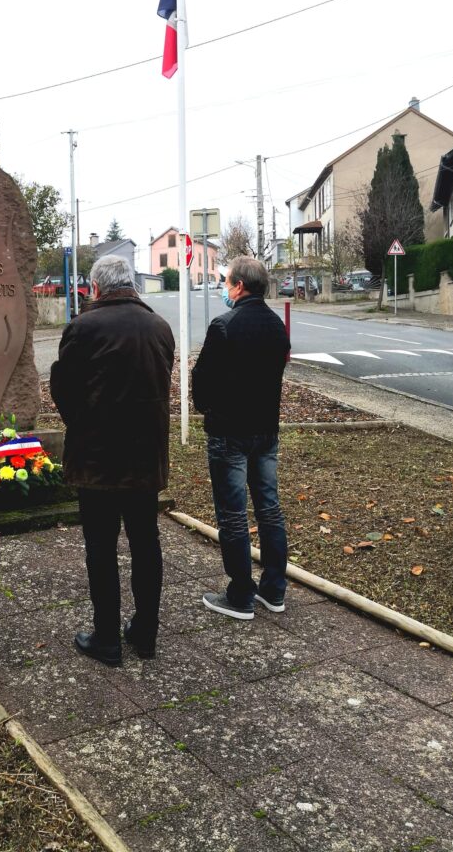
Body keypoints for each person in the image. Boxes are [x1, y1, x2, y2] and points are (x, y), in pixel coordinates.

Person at [50, 255, 175, 665]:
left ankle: (106, 638)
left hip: (97, 459)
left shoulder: (84, 327)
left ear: (96, 288)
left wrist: (82, 424)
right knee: (146, 544)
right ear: (132, 285)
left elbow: (63, 388)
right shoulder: (159, 326)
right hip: (144, 456)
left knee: (100, 548)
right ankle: (146, 633)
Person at [192, 255, 291, 620]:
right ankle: (274, 589)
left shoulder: (224, 325)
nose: (224, 287)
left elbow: (201, 383)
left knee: (233, 516)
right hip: (266, 433)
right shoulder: (277, 327)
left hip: (229, 433)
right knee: (269, 509)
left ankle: (239, 596)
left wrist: (210, 410)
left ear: (238, 286)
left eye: (226, 281)